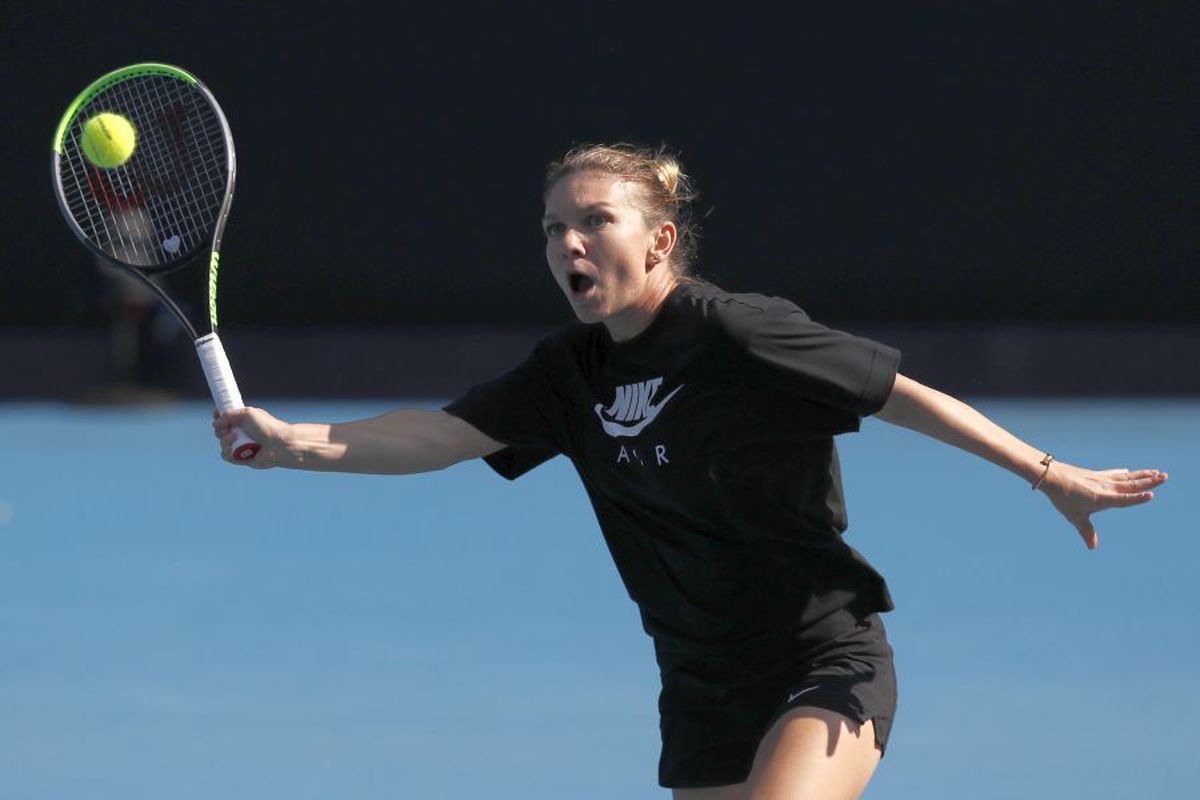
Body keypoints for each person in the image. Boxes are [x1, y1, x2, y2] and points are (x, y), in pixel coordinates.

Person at [214, 143, 1168, 799]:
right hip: (701, 682)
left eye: (595, 220)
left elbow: (901, 394)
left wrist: (1046, 471)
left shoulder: (738, 332)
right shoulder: (567, 374)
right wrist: (294, 442)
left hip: (820, 660)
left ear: (660, 239)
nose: (569, 244)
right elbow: (445, 435)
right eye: (553, 228)